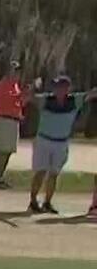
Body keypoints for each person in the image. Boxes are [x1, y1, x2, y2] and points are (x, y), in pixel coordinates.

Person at [26, 76, 96, 214]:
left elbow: (92, 93)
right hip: (44, 140)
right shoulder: (46, 99)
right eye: (57, 87)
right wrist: (33, 87)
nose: (59, 90)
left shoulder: (74, 100)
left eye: (62, 87)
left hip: (61, 142)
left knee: (54, 174)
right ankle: (33, 201)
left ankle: (47, 202)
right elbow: (28, 98)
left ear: (68, 88)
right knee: (40, 172)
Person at [0, 60, 30, 188]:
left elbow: (19, 102)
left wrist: (26, 95)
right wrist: (24, 93)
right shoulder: (4, 84)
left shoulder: (15, 85)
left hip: (12, 120)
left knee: (8, 150)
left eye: (18, 71)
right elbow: (10, 99)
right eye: (14, 70)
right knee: (2, 150)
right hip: (3, 119)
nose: (17, 73)